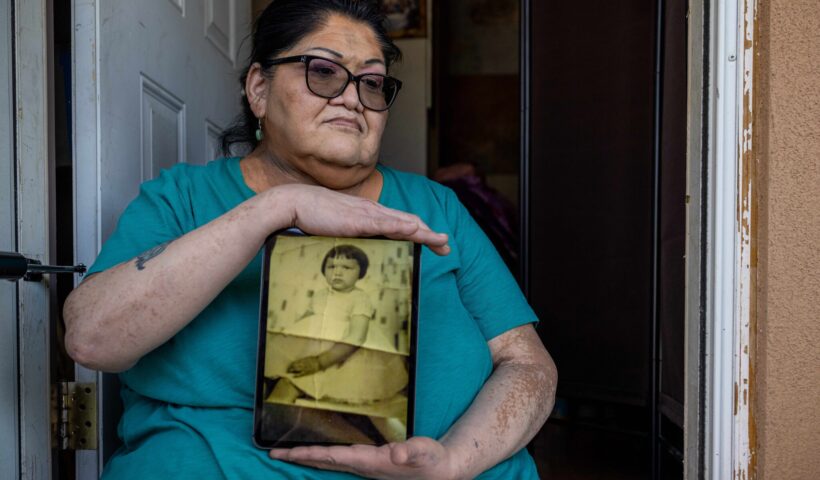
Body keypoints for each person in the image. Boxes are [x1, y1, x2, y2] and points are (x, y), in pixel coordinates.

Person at [63, 1, 557, 478]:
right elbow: (93, 339)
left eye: (372, 81)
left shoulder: (434, 206)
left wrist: (452, 463)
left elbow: (529, 365)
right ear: (259, 88)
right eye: (323, 71)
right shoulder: (185, 198)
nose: (350, 97)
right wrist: (279, 207)